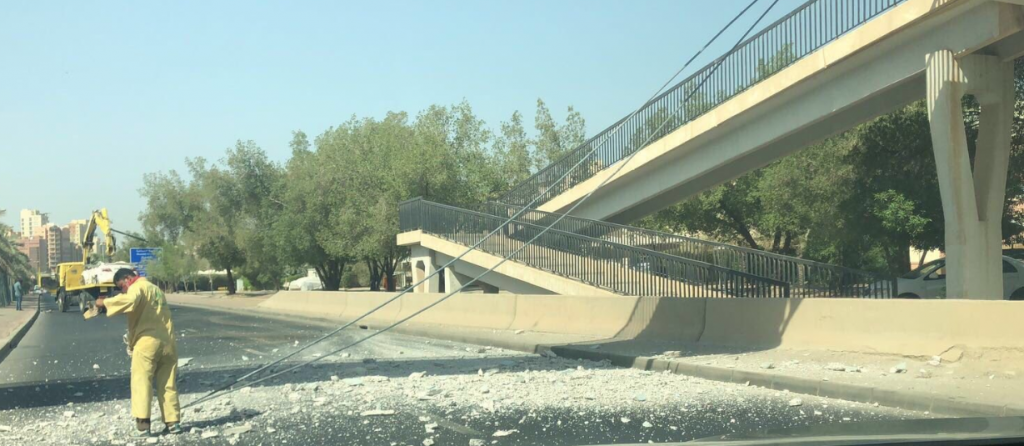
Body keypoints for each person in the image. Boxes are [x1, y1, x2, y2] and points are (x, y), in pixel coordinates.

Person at [96, 269, 182, 437]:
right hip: (168, 342)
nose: (123, 290)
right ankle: (173, 423)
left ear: (128, 278)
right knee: (168, 383)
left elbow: (129, 300)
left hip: (147, 342)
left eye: (122, 286)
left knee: (141, 382)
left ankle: (143, 426)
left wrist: (104, 302)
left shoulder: (137, 288)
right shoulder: (156, 289)